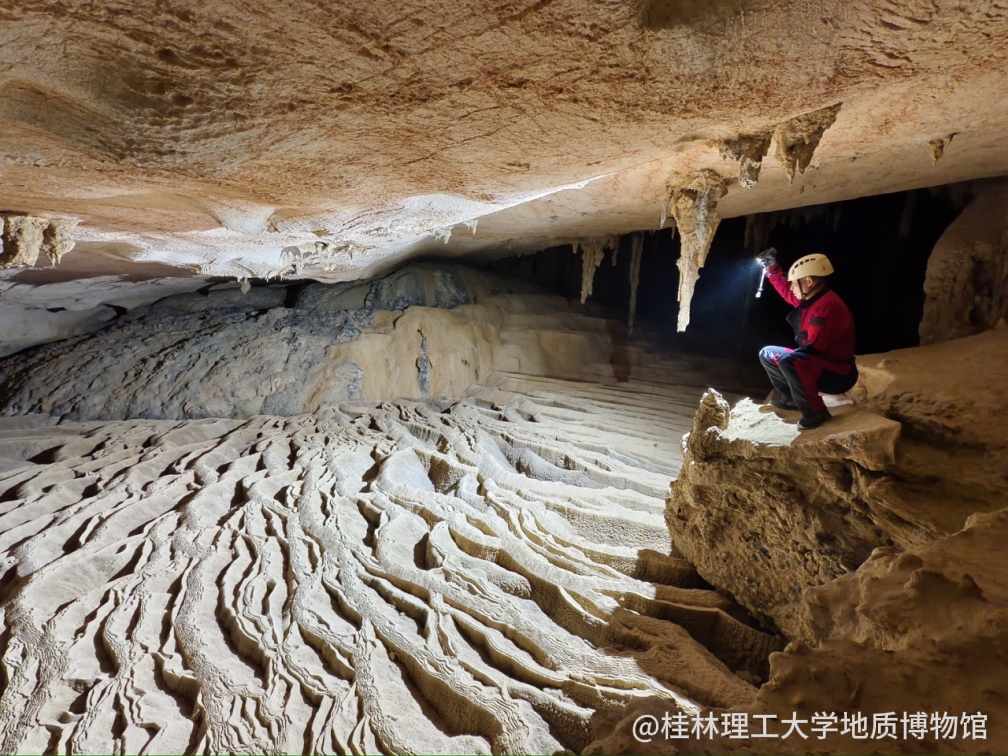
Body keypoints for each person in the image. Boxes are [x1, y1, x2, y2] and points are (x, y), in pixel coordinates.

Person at [755, 248, 858, 430]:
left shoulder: (828, 307)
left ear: (808, 281)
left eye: (794, 283)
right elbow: (787, 292)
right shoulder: (813, 298)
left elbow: (814, 347)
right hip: (821, 363)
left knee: (790, 361)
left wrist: (790, 362)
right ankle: (793, 399)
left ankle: (817, 412)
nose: (791, 287)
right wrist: (772, 269)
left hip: (838, 374)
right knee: (768, 353)